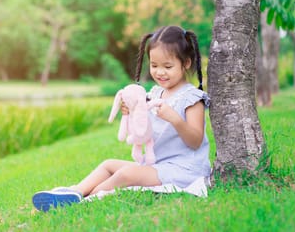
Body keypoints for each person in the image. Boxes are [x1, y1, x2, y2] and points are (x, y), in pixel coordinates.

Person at [32, 25, 211, 212]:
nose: (159, 72)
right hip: (159, 165)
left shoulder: (191, 98)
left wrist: (175, 119)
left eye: (167, 66)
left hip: (184, 170)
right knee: (108, 164)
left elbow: (196, 141)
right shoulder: (156, 93)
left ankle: (84, 200)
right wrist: (131, 111)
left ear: (187, 63)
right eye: (154, 65)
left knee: (126, 174)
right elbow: (146, 128)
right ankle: (75, 191)